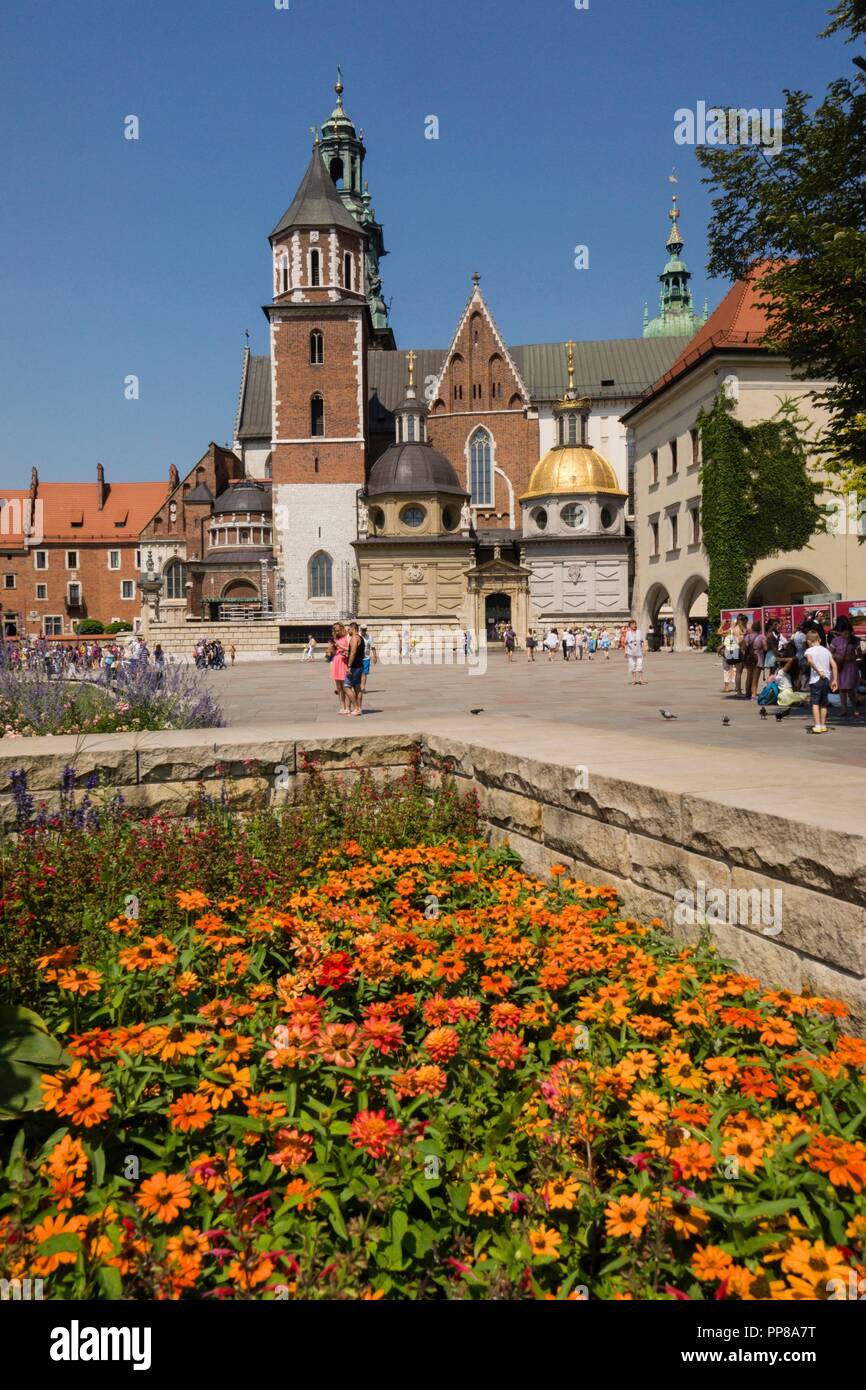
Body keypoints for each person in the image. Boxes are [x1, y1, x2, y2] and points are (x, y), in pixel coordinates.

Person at [805, 628, 838, 734]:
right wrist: (835, 680)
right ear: (819, 639)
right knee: (824, 703)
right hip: (826, 679)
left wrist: (818, 671)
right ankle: (823, 725)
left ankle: (817, 725)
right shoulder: (826, 651)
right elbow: (834, 665)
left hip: (816, 679)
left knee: (815, 703)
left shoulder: (809, 650)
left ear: (809, 641)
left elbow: (810, 661)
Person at [829, 616, 860, 718]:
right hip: (840, 666)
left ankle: (855, 709)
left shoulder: (854, 640)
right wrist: (836, 656)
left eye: (848, 633)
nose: (846, 635)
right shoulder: (836, 641)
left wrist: (853, 656)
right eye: (844, 633)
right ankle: (844, 709)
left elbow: (859, 654)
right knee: (842, 690)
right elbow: (829, 653)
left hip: (850, 667)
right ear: (840, 632)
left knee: (851, 690)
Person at [740, 620, 766, 700]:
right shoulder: (762, 636)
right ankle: (754, 694)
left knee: (749, 676)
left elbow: (743, 647)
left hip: (749, 658)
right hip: (758, 658)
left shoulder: (747, 636)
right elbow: (765, 648)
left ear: (752, 628)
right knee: (755, 677)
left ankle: (747, 693)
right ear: (760, 628)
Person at [344, 621, 365, 715]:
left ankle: (356, 708)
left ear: (353, 628)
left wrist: (349, 666)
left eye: (349, 629)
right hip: (360, 665)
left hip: (354, 667)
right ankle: (359, 708)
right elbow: (363, 654)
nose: (348, 630)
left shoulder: (354, 638)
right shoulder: (361, 638)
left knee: (346, 687)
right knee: (357, 688)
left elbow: (353, 652)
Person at [329, 622, 350, 713]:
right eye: (335, 630)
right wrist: (332, 647)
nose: (336, 632)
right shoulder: (335, 639)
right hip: (336, 662)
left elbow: (349, 649)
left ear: (341, 628)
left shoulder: (347, 637)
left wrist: (340, 646)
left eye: (337, 630)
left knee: (346, 686)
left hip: (344, 662)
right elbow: (333, 652)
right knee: (339, 688)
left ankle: (348, 707)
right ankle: (342, 707)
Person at [624, 619, 648, 685]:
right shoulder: (628, 633)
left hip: (639, 652)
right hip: (630, 652)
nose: (634, 625)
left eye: (635, 624)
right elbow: (625, 643)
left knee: (640, 665)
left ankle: (641, 680)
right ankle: (634, 680)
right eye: (632, 624)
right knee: (632, 666)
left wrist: (644, 650)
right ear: (630, 626)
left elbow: (643, 642)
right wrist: (625, 652)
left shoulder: (639, 632)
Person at [359, 625, 377, 699]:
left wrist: (375, 656)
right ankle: (357, 686)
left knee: (364, 673)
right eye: (362, 630)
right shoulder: (356, 636)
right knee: (357, 673)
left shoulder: (369, 637)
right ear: (360, 629)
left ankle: (363, 688)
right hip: (358, 658)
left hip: (366, 658)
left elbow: (372, 647)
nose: (364, 631)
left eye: (365, 630)